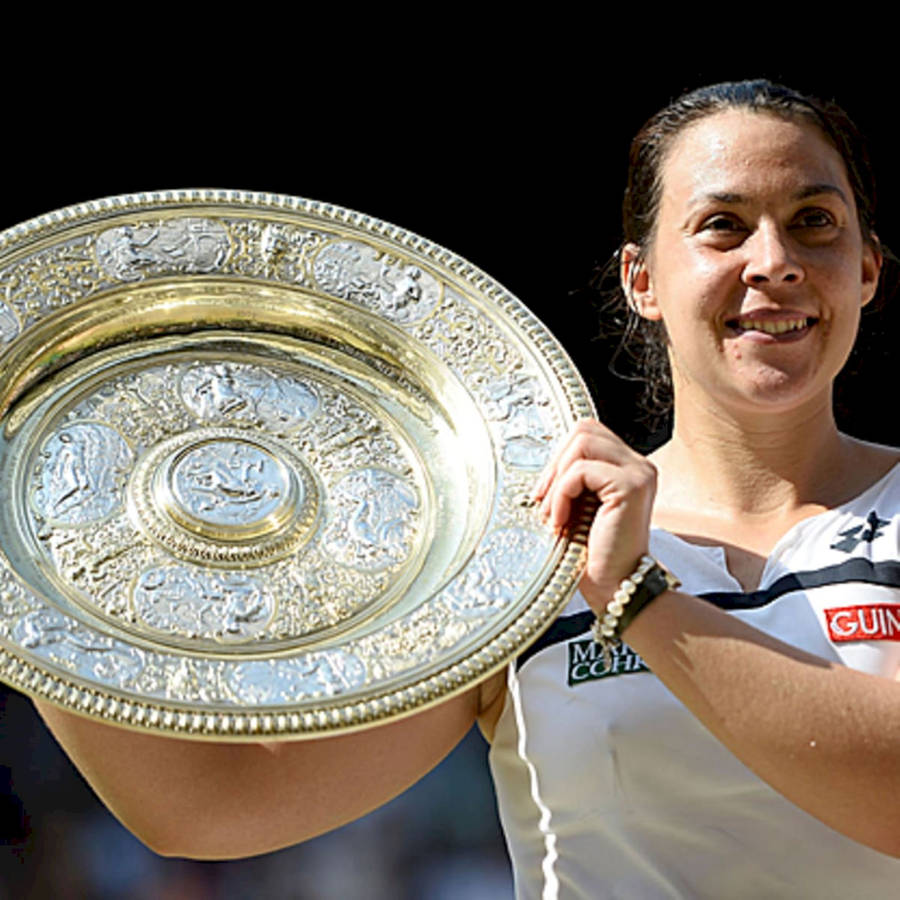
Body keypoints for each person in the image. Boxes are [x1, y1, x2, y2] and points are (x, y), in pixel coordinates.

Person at [33, 80, 900, 898]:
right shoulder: (532, 539)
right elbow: (211, 807)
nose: (775, 261)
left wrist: (638, 599)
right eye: (722, 225)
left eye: (814, 221)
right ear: (643, 281)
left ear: (866, 267)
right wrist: (24, 570)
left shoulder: (604, 562)